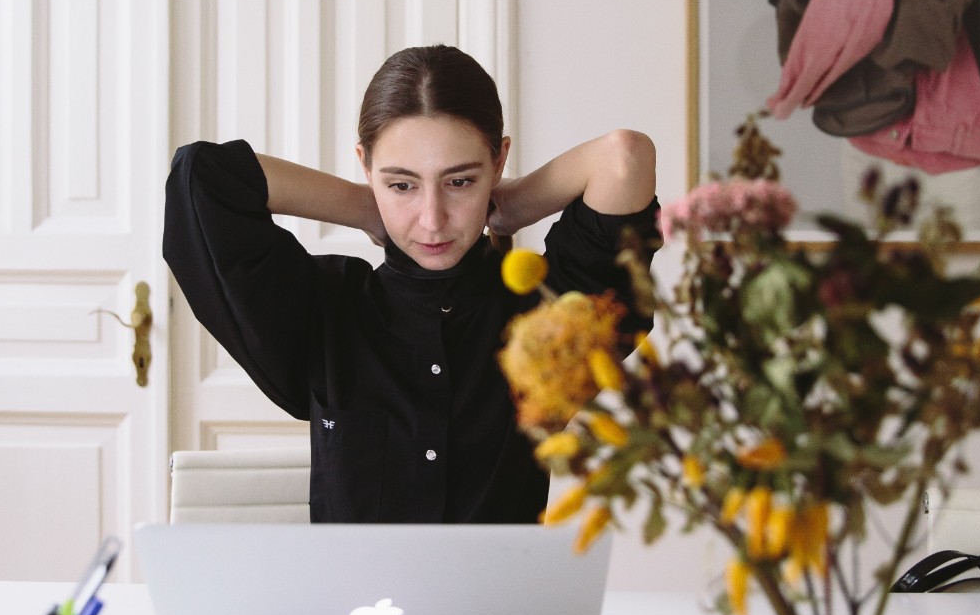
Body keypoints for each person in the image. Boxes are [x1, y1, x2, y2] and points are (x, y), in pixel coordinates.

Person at [163, 44, 659, 523]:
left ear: (498, 161)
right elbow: (200, 177)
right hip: (350, 610)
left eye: (460, 181)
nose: (432, 220)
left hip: (501, 611)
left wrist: (511, 205)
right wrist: (364, 206)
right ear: (365, 165)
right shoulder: (325, 310)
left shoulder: (545, 321)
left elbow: (624, 157)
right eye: (402, 184)